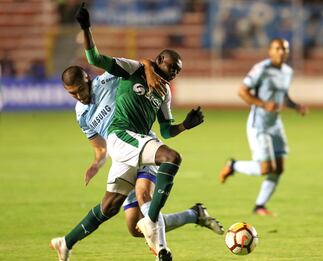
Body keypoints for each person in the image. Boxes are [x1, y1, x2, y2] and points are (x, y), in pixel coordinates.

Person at [50, 3, 205, 261]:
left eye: (178, 70)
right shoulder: (82, 113)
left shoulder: (113, 82)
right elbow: (103, 61)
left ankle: (66, 242)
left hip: (140, 141)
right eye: (72, 93)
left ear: (88, 80)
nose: (78, 96)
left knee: (111, 207)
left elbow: (166, 129)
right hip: (122, 140)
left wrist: (186, 125)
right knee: (170, 161)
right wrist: (96, 162)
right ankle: (158, 225)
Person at [219, 38, 308, 216]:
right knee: (266, 168)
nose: (281, 52)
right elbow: (242, 91)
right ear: (270, 51)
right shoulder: (261, 69)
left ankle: (260, 206)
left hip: (275, 124)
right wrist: (263, 104)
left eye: (284, 49)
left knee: (280, 168)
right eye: (277, 49)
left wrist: (296, 106)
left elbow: (283, 96)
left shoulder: (287, 71)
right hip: (259, 124)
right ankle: (234, 165)